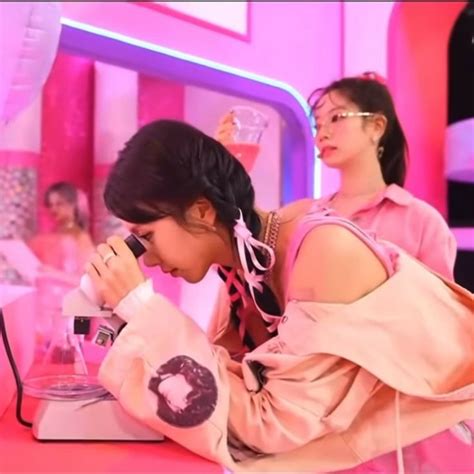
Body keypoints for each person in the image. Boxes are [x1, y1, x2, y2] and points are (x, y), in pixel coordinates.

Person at [85, 120, 473, 473]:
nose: (147, 259)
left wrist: (142, 307)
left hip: (439, 451)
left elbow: (272, 424)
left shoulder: (325, 250)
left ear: (202, 211)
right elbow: (228, 381)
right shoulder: (244, 266)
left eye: (147, 236)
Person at [216, 73, 457, 280]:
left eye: (337, 118)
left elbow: (439, 315)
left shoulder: (421, 222)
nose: (323, 134)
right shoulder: (301, 216)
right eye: (318, 125)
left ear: (376, 127)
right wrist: (225, 170)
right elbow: (245, 251)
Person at [28, 181, 95, 347]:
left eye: (59, 203)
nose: (53, 209)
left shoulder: (80, 237)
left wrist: (51, 273)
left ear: (73, 204)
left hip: (67, 315)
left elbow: (87, 280)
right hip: (45, 312)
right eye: (50, 204)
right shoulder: (53, 234)